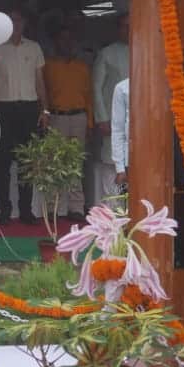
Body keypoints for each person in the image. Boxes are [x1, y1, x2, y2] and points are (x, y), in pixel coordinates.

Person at [0, 10, 45, 225]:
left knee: (26, 162)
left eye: (19, 19)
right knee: (3, 161)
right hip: (4, 108)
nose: (16, 23)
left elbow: (40, 81)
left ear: (25, 22)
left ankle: (26, 209)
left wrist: (44, 110)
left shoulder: (34, 47)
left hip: (29, 108)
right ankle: (4, 209)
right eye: (12, 20)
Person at [40, 25, 92, 223]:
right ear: (55, 43)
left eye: (70, 40)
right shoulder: (49, 65)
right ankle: (55, 207)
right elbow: (42, 91)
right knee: (55, 162)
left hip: (79, 117)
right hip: (56, 117)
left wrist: (90, 122)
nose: (67, 43)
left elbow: (89, 96)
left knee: (75, 163)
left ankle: (76, 207)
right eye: (62, 39)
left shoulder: (82, 67)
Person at [91, 13, 129, 206]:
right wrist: (102, 118)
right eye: (124, 26)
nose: (128, 30)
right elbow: (96, 87)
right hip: (113, 119)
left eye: (131, 26)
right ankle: (113, 215)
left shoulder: (145, 49)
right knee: (111, 162)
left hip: (138, 120)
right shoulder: (107, 53)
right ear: (118, 29)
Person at [110, 77, 130, 189]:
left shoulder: (164, 84)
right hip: (131, 159)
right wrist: (120, 168)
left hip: (161, 158)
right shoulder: (122, 88)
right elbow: (118, 130)